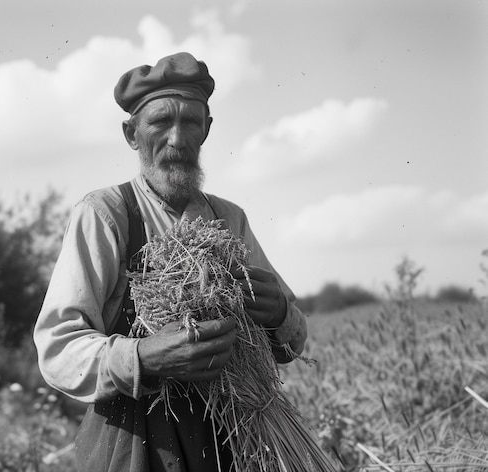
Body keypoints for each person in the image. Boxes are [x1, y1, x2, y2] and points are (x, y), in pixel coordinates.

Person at [34, 52, 308, 472]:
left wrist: (279, 314)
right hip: (134, 443)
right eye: (160, 123)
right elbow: (58, 348)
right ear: (132, 134)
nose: (177, 140)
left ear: (207, 131)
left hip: (232, 439)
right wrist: (143, 358)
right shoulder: (106, 213)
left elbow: (293, 342)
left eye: (191, 123)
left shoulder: (228, 219)